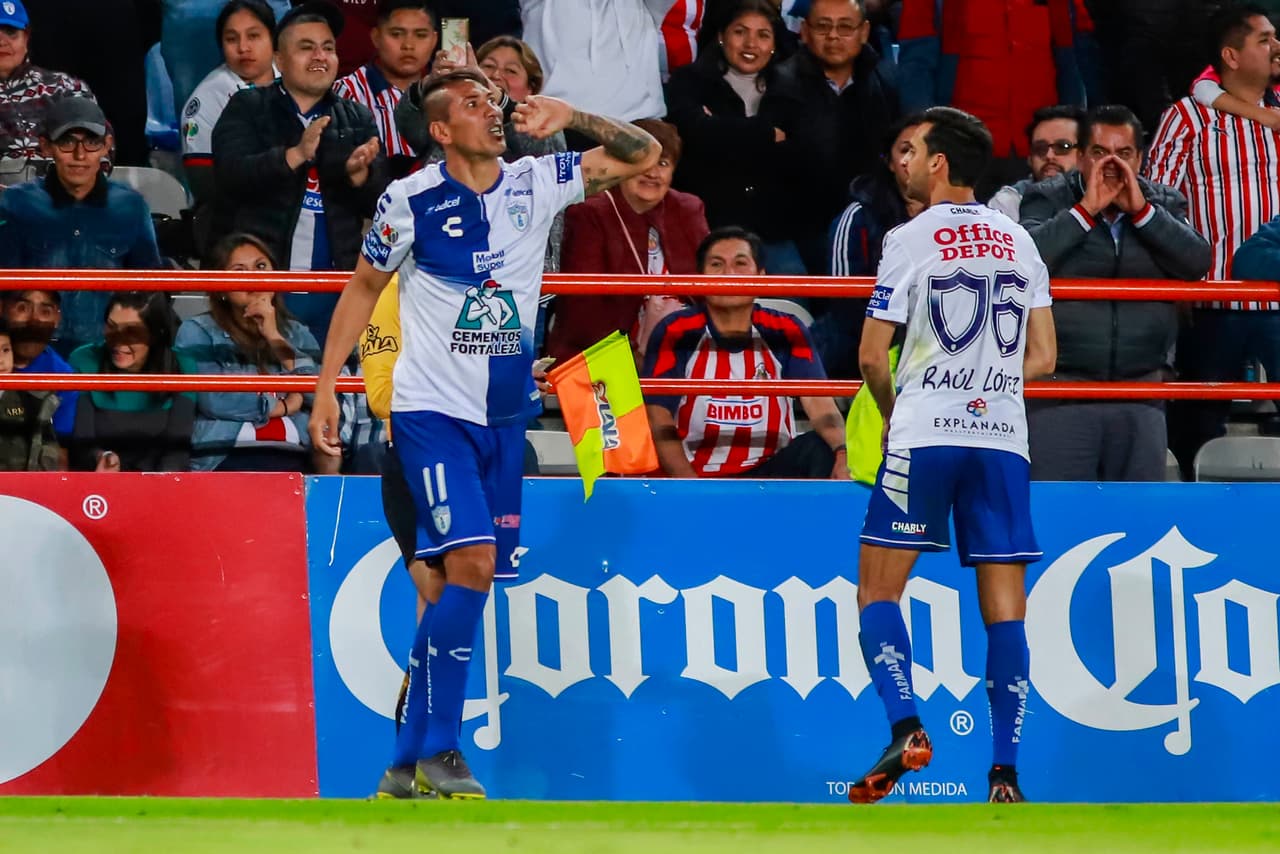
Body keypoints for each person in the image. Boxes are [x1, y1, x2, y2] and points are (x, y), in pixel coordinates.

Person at [308, 68, 661, 799]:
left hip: (504, 421)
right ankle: (443, 748)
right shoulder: (409, 199)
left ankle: (404, 761)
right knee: (470, 564)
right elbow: (364, 288)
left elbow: (642, 154)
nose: (493, 110)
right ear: (441, 130)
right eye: (473, 104)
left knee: (456, 586)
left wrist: (574, 113)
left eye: (494, 101)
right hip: (431, 415)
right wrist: (325, 387)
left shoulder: (536, 181)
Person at [849, 106, 1056, 804]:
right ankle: (1005, 773)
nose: (903, 163)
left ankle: (906, 726)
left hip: (925, 431)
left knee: (879, 591)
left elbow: (871, 356)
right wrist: (984, 382)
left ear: (939, 163)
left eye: (912, 151)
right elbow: (1045, 358)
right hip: (1001, 440)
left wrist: (893, 410)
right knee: (1005, 611)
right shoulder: (1020, 240)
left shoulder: (909, 238)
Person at [1019, 105, 1211, 482]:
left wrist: (1142, 213)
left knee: (1138, 511)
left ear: (1139, 159)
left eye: (1123, 153)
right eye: (1099, 152)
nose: (1112, 164)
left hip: (1140, 391)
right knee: (1060, 510)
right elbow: (1023, 260)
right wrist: (1085, 211)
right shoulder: (1046, 198)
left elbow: (1196, 261)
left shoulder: (1164, 202)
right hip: (1060, 390)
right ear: (1080, 157)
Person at [1146, 3, 1280, 475]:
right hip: (1212, 297)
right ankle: (1190, 507)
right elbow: (1158, 203)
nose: (1276, 47)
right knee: (1198, 424)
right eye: (1264, 39)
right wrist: (1171, 284)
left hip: (1278, 297)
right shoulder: (1188, 118)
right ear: (1231, 55)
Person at [211, 0, 389, 344]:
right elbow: (231, 176)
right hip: (267, 287)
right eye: (307, 48)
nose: (320, 56)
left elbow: (382, 203)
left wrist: (360, 178)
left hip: (336, 290)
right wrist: (295, 155)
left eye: (328, 48)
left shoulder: (357, 117)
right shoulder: (248, 107)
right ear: (279, 60)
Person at [643, 226, 849, 478]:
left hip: (771, 473)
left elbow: (819, 403)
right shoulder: (675, 330)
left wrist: (842, 453)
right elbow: (658, 416)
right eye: (716, 265)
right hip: (699, 474)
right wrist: (691, 487)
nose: (729, 274)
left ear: (761, 276)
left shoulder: (785, 328)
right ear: (701, 277)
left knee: (823, 448)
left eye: (740, 263)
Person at [0, 96, 162, 357]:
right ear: (45, 146)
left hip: (107, 357)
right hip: (34, 357)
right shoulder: (16, 204)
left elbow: (149, 292)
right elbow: (4, 292)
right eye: (67, 142)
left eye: (91, 142)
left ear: (106, 145)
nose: (80, 155)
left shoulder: (131, 206)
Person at [545, 119, 708, 364]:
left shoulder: (688, 208)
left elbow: (708, 288)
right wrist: (630, 357)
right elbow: (582, 311)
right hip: (605, 352)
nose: (653, 173)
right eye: (644, 162)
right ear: (620, 165)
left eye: (663, 163)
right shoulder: (589, 212)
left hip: (682, 349)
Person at [760, 0, 899, 273]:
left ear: (864, 31)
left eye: (845, 27)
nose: (833, 36)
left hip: (866, 224)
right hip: (796, 227)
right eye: (823, 27)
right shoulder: (778, 83)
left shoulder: (883, 83)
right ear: (804, 31)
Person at [895, 0, 1089, 195]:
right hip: (963, 150)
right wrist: (926, 143)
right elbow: (916, 70)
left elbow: (1073, 63)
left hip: (1040, 150)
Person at [175, 232, 330, 473]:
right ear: (220, 288)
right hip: (226, 457)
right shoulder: (197, 331)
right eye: (239, 270)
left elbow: (322, 397)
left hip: (294, 454)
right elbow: (215, 400)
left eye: (261, 266)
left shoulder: (296, 332)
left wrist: (274, 336)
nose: (254, 276)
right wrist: (282, 407)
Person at [664, 0, 793, 252]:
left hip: (772, 229)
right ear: (722, 36)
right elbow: (695, 134)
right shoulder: (688, 81)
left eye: (763, 35)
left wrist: (719, 130)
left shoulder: (790, 88)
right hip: (705, 223)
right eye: (740, 32)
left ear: (774, 44)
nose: (751, 44)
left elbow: (800, 152)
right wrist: (765, 134)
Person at [816, 112, 925, 378]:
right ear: (889, 162)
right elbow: (845, 301)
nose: (914, 160)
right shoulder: (857, 216)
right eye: (905, 150)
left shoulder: (958, 218)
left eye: (925, 150)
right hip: (862, 346)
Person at [67, 292, 198, 473]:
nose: (118, 341)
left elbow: (177, 452)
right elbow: (81, 444)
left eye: (132, 332)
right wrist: (101, 457)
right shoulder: (84, 359)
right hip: (100, 479)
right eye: (112, 327)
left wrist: (155, 484)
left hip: (159, 479)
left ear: (156, 333)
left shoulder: (183, 365)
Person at [183, 0, 281, 207]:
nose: (243, 48)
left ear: (273, 39)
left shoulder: (293, 76)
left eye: (253, 36)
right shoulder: (208, 98)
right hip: (234, 213)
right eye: (231, 39)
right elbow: (204, 185)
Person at [334, 0, 438, 178]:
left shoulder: (447, 91)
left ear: (434, 40)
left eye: (420, 35)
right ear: (376, 37)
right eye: (396, 34)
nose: (408, 45)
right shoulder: (347, 92)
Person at [0, 0, 94, 172]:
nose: (1, 41)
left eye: (11, 32)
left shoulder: (65, 88)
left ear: (26, 37)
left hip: (65, 185)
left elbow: (99, 149)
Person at [3, 289, 77, 455]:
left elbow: (59, 452)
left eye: (45, 311)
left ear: (57, 319)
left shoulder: (62, 377)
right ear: (2, 309)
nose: (34, 321)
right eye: (22, 308)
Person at [987, 105, 1086, 221]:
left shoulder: (1101, 197)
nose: (1049, 156)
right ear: (1030, 158)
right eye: (1040, 148)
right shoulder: (1009, 202)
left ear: (1085, 154)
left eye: (1062, 146)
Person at [0, 316, 59, 472]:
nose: (1, 360)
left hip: (21, 484)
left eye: (5, 350)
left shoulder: (34, 398)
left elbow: (49, 448)